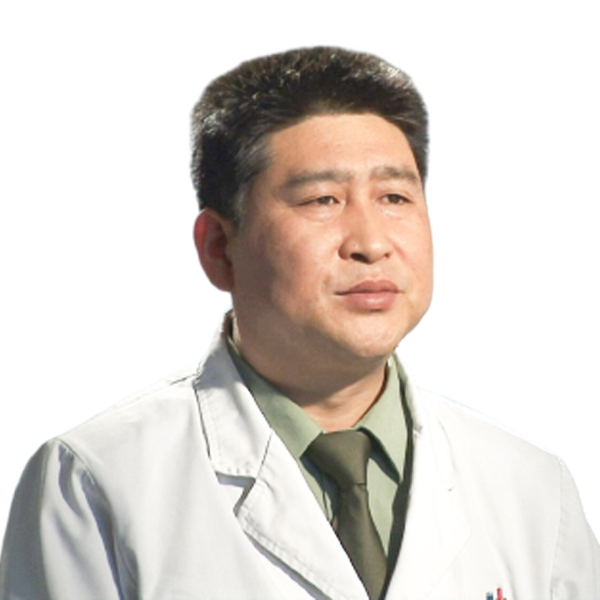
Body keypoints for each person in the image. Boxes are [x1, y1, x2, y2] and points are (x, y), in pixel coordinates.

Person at [1, 46, 598, 600]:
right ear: (219, 247)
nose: (370, 243)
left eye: (394, 197)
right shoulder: (99, 480)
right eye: (322, 200)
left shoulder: (531, 488)